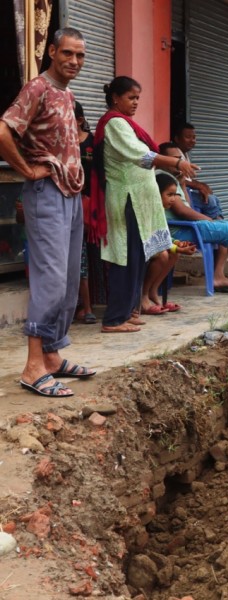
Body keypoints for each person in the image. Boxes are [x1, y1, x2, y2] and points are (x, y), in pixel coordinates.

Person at [0, 27, 96, 397]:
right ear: (52, 51)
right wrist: (26, 170)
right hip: (46, 192)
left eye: (80, 55)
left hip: (70, 194)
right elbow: (5, 131)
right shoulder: (37, 88)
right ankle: (33, 366)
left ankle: (53, 356)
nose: (74, 61)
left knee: (70, 278)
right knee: (51, 279)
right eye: (67, 53)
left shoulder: (67, 93)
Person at [88, 76, 198, 333]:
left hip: (138, 202)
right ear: (116, 98)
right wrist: (176, 162)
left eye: (138, 98)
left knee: (137, 258)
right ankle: (114, 319)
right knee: (125, 258)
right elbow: (140, 155)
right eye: (131, 97)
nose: (136, 102)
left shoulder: (126, 124)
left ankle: (128, 311)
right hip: (126, 199)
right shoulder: (114, 123)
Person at [156, 172, 228, 293]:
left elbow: (187, 206)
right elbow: (183, 211)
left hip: (184, 226)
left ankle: (218, 276)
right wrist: (208, 220)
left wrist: (183, 185)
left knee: (224, 227)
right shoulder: (162, 177)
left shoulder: (174, 179)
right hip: (180, 228)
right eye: (177, 158)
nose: (181, 162)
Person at [171, 122, 224, 219]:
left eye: (194, 137)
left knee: (213, 198)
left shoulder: (184, 154)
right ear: (177, 139)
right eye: (188, 137)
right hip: (177, 194)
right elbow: (176, 177)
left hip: (186, 191)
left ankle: (218, 225)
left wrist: (201, 186)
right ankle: (217, 226)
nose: (192, 141)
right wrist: (199, 186)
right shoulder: (173, 153)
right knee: (210, 200)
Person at [74, 101, 96, 325]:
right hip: (68, 203)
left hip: (89, 205)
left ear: (80, 120)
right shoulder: (60, 143)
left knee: (82, 256)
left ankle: (88, 306)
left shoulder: (92, 143)